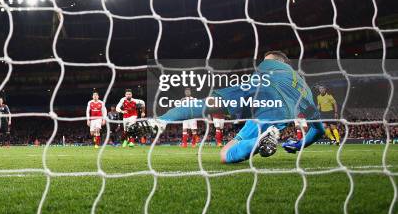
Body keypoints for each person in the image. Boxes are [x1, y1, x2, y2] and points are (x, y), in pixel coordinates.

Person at [130, 51, 325, 163]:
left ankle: (162, 121)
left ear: (277, 62)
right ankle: (265, 137)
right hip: (276, 113)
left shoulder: (269, 66)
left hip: (255, 92)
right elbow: (318, 130)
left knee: (205, 105)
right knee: (228, 152)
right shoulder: (306, 89)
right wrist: (299, 145)